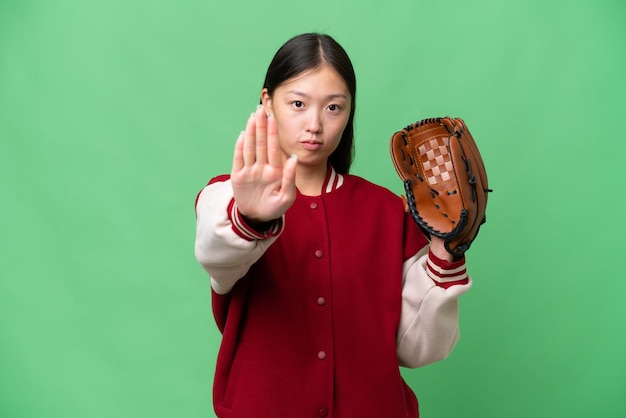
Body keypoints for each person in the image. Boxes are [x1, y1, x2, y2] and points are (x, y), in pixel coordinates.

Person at [194, 33, 471, 418]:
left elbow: (419, 349)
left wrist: (445, 253)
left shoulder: (388, 212)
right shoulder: (223, 198)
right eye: (297, 103)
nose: (315, 124)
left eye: (333, 107)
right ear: (267, 102)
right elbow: (216, 257)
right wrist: (251, 216)